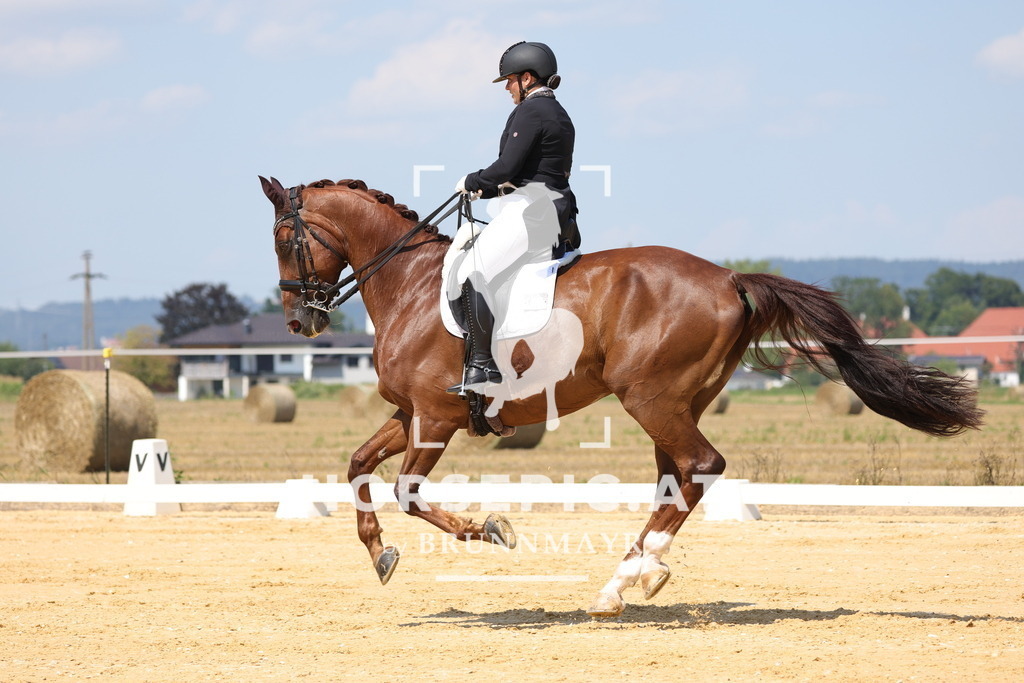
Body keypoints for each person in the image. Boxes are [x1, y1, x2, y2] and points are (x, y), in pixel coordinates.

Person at [449, 41, 580, 394]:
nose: (507, 88)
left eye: (509, 81)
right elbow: (523, 173)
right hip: (552, 209)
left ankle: (481, 367)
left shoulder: (531, 111)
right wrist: (485, 190)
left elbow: (506, 168)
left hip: (532, 212)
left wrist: (472, 181)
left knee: (470, 270)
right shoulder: (557, 112)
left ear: (526, 78)